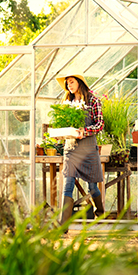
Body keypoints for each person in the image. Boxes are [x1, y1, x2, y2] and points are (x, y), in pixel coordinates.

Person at [55, 73, 105, 226]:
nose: (68, 85)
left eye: (71, 82)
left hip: (88, 149)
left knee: (92, 186)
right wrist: (60, 134)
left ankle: (100, 213)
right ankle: (63, 225)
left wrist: (85, 131)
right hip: (71, 149)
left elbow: (100, 124)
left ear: (79, 83)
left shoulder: (93, 101)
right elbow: (61, 124)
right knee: (68, 183)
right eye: (67, 84)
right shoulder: (66, 103)